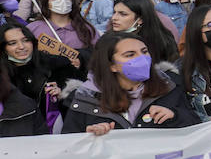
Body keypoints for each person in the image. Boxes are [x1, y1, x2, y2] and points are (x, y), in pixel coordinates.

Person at [61, 32, 199, 134]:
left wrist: (175, 116)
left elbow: (196, 127)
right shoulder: (84, 99)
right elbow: (70, 148)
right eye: (130, 55)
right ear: (111, 65)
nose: (142, 58)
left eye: (144, 51)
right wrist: (88, 136)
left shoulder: (169, 86)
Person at [0, 19, 77, 113]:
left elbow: (76, 100)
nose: (21, 46)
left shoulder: (57, 64)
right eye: (12, 43)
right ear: (2, 48)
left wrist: (62, 94)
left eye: (25, 40)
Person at [109, 0, 181, 63]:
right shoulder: (108, 41)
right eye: (114, 12)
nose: (114, 18)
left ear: (140, 19)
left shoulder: (161, 43)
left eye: (123, 14)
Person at [25, 0, 97, 51]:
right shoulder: (33, 28)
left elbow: (97, 54)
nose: (63, 1)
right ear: (46, 2)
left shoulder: (86, 29)